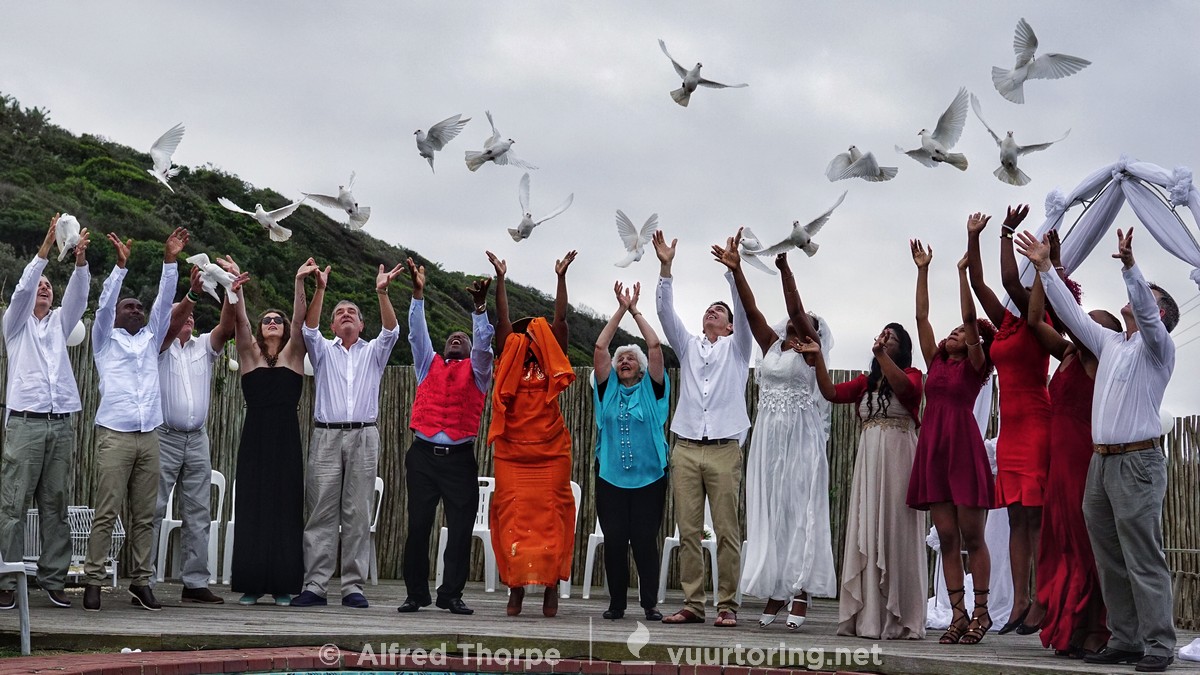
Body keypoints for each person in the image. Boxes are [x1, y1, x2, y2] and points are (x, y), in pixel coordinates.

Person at [1017, 227, 1178, 673]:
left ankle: (1159, 644)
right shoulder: (1110, 344)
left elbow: (1145, 312)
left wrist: (1130, 267)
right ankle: (1125, 638)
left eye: (1147, 296)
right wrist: (1046, 268)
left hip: (1137, 462)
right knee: (1108, 556)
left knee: (1142, 555)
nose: (1136, 298)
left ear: (1158, 311)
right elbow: (1071, 315)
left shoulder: (1157, 348)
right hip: (1101, 462)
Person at [715, 240, 836, 632]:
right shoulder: (770, 344)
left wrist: (785, 272)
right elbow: (751, 311)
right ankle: (779, 589)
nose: (797, 325)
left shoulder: (809, 352)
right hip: (769, 436)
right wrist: (737, 270)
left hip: (801, 437)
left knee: (800, 510)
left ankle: (800, 589)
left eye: (805, 324)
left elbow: (796, 310)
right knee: (772, 512)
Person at [1022, 234, 1118, 658]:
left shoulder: (1100, 360)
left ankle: (1097, 626)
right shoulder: (1066, 354)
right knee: (1060, 543)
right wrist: (1052, 267)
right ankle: (1069, 627)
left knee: (1085, 544)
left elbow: (1070, 314)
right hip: (1057, 466)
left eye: (1096, 322)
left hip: (1084, 463)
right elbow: (1034, 320)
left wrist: (1055, 268)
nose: (1085, 324)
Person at [83, 227, 187, 611]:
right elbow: (105, 303)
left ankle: (141, 581)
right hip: (115, 435)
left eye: (138, 308)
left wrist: (170, 261)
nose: (136, 310)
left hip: (150, 437)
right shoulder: (103, 339)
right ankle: (93, 581)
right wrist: (120, 268)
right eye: (129, 307)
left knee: (146, 515)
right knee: (106, 512)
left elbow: (164, 303)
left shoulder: (149, 338)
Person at [653, 230, 753, 628]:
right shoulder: (689, 345)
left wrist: (733, 274)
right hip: (687, 447)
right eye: (708, 309)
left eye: (719, 311)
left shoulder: (739, 348)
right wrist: (666, 267)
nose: (713, 312)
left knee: (727, 530)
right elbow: (664, 314)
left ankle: (727, 604)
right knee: (688, 530)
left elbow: (746, 314)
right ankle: (693, 604)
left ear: (729, 326)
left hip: (726, 448)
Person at [805, 321, 928, 640]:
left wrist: (881, 356)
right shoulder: (864, 383)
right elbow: (831, 393)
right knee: (869, 528)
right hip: (869, 460)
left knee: (896, 530)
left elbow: (905, 390)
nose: (885, 339)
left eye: (892, 338)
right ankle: (868, 617)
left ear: (902, 348)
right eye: (883, 335)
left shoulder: (912, 375)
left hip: (900, 457)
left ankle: (900, 616)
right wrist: (819, 358)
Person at [293, 259, 404, 608]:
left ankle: (353, 587)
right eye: (339, 312)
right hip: (326, 436)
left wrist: (382, 292)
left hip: (364, 436)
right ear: (332, 322)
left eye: (352, 311)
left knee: (357, 512)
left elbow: (392, 332)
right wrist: (321, 290)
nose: (345, 314)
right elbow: (308, 331)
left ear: (361, 322)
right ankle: (315, 585)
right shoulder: (323, 350)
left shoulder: (374, 351)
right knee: (320, 512)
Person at [965, 205, 1052, 634]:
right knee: (1016, 517)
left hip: (1038, 424)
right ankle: (1018, 601)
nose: (1025, 289)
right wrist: (974, 238)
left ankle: (1041, 599)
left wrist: (1005, 233)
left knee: (1035, 518)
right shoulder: (1004, 327)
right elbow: (980, 283)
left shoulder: (1041, 323)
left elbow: (1006, 281)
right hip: (1011, 430)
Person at [905, 239, 996, 645]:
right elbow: (921, 316)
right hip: (935, 451)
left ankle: (982, 612)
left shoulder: (978, 366)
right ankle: (957, 614)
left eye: (961, 332)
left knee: (972, 537)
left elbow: (970, 316)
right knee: (946, 537)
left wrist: (961, 273)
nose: (953, 332)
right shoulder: (936, 362)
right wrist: (923, 270)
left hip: (963, 449)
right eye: (954, 331)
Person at [0, 214, 90, 610]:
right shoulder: (15, 324)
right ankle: (6, 579)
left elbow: (79, 297)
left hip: (60, 425)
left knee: (55, 504)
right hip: (25, 424)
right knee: (12, 503)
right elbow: (21, 290)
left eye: (48, 286)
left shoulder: (59, 323)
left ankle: (53, 580)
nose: (44, 289)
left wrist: (79, 261)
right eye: (41, 285)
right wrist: (44, 248)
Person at [397, 258, 494, 616]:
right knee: (418, 525)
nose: (456, 339)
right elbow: (416, 334)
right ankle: (415, 594)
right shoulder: (427, 364)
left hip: (458, 459)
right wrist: (418, 295)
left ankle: (451, 594)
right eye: (452, 337)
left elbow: (484, 346)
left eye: (463, 338)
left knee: (460, 527)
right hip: (422, 456)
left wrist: (479, 311)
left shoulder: (479, 372)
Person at [486, 249, 577, 618]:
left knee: (553, 517)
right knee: (511, 517)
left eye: (530, 332)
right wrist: (502, 280)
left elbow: (559, 318)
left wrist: (560, 278)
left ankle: (551, 586)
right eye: (521, 332)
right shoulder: (508, 357)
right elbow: (503, 320)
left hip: (551, 452)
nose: (525, 335)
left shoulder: (552, 361)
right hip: (512, 453)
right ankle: (517, 587)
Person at [150, 265, 242, 604]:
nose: (188, 320)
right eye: (181, 315)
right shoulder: (158, 346)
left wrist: (230, 290)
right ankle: (144, 581)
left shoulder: (205, 346)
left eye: (191, 317)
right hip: (165, 436)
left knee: (198, 510)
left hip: (197, 438)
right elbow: (170, 325)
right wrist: (187, 298)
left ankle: (195, 582)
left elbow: (227, 326)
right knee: (154, 507)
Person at [222, 256, 311, 606]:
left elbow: (302, 320)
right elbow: (240, 319)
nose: (272, 322)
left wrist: (299, 281)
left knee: (286, 508)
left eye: (278, 320)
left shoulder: (293, 354)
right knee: (253, 507)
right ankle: (252, 584)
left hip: (287, 436)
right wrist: (235, 288)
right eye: (267, 320)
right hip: (255, 436)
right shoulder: (248, 355)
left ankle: (284, 586)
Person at [591, 281, 669, 622]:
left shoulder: (653, 390)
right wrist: (619, 309)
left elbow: (653, 345)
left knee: (643, 540)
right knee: (615, 540)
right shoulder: (606, 389)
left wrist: (635, 310)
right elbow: (598, 347)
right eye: (620, 358)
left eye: (630, 358)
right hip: (610, 477)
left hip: (650, 478)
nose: (624, 360)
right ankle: (616, 604)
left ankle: (650, 603)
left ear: (640, 368)